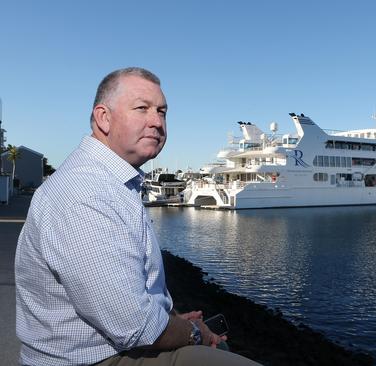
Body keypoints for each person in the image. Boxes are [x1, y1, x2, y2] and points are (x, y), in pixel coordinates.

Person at [15, 67, 261, 366]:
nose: (157, 121)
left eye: (162, 111)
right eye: (142, 108)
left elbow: (128, 303)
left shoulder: (110, 182)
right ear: (104, 118)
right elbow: (135, 327)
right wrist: (194, 332)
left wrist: (172, 320)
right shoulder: (86, 194)